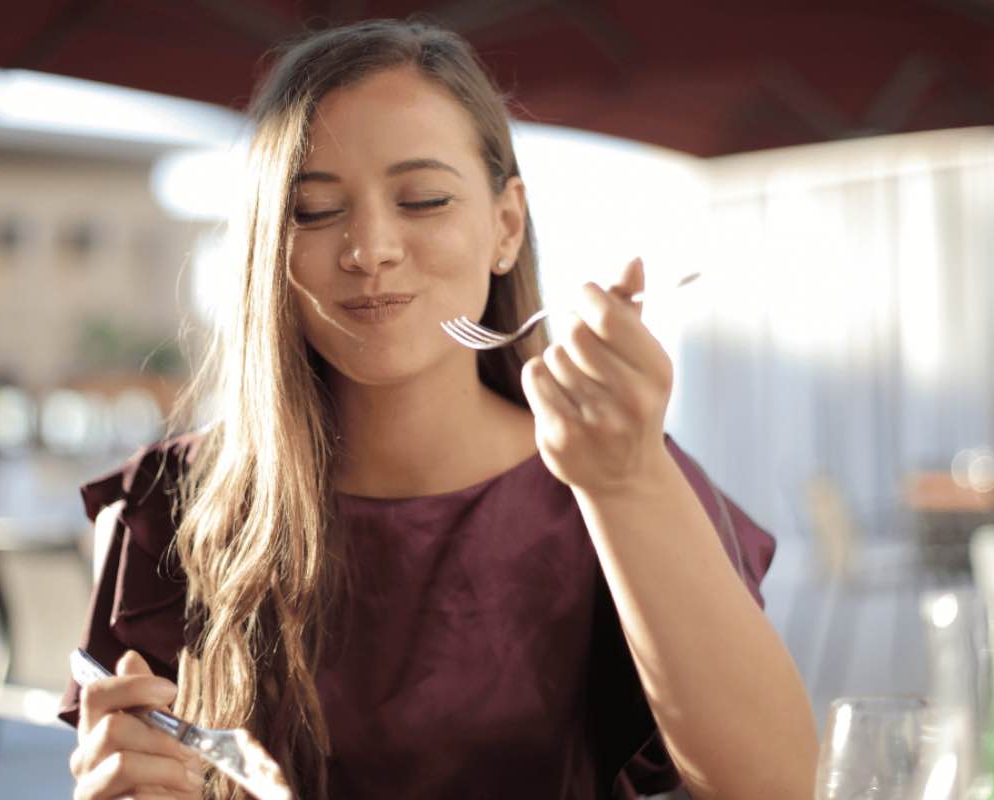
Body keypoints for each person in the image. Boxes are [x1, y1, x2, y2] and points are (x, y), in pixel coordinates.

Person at [60, 18, 818, 800]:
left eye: (422, 199)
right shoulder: (171, 504)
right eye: (315, 211)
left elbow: (775, 787)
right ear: (267, 251)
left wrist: (626, 484)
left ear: (506, 227)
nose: (370, 248)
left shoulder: (615, 479)